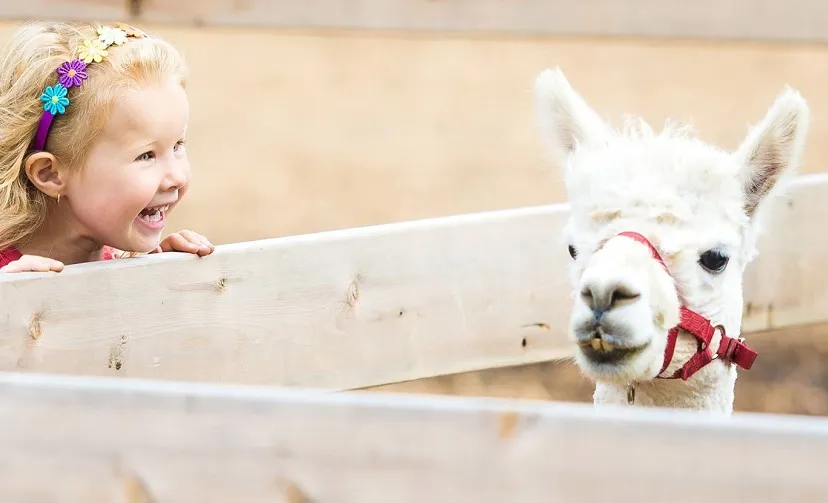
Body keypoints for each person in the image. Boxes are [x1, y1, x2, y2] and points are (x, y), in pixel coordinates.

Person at [0, 21, 214, 273]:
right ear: (50, 173)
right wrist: (11, 303)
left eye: (178, 145)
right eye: (146, 155)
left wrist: (159, 286)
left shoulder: (128, 265)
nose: (176, 178)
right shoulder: (9, 276)